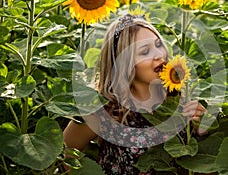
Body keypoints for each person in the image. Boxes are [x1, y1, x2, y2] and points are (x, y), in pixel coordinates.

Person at [63, 13, 207, 175]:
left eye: (158, 45)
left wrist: (201, 130)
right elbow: (65, 152)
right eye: (145, 52)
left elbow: (200, 166)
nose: (159, 55)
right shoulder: (104, 106)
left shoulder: (179, 100)